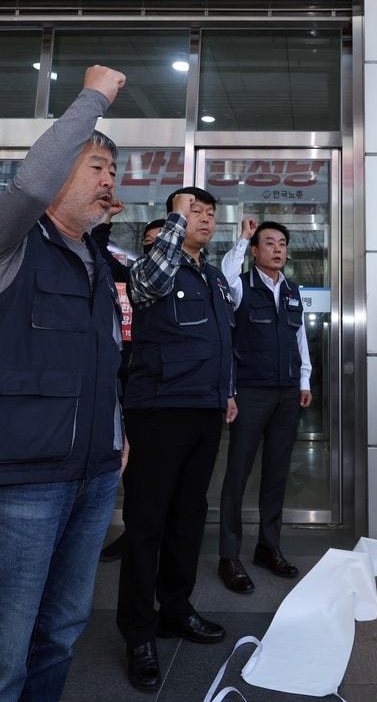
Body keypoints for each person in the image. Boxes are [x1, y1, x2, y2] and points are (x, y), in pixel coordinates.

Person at [0, 65, 127, 702]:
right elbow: (31, 180)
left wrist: (117, 437)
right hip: (18, 477)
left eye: (112, 172)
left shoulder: (96, 260)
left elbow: (101, 363)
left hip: (93, 474)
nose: (108, 180)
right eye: (96, 167)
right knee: (0, 646)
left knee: (62, 629)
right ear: (59, 172)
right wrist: (94, 98)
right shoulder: (2, 241)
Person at [118, 187, 238, 692]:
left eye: (210, 213)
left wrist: (225, 391)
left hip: (205, 411)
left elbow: (221, 341)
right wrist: (172, 223)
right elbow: (147, 285)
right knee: (146, 524)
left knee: (189, 519)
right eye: (195, 211)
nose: (205, 219)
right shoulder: (151, 268)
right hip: (160, 410)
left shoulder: (210, 276)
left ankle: (176, 609)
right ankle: (138, 633)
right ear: (172, 217)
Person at [216, 217, 312, 594]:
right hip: (250, 393)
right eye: (269, 243)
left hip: (287, 394)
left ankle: (268, 547)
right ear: (255, 251)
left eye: (282, 244)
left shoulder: (290, 289)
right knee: (237, 474)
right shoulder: (241, 286)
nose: (277, 249)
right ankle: (229, 555)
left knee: (276, 473)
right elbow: (225, 274)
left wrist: (304, 380)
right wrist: (241, 237)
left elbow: (300, 336)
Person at [99, 217, 167, 565]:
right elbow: (97, 251)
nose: (153, 249)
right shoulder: (125, 272)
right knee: (124, 464)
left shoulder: (173, 280)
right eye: (148, 243)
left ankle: (154, 533)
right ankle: (132, 532)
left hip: (158, 384)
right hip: (119, 376)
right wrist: (105, 222)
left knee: (153, 466)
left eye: (161, 243)